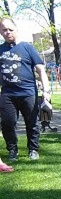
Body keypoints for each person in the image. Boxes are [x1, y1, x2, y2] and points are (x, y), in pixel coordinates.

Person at [0, 17, 51, 161]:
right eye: (4, 29)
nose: (8, 32)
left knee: (32, 123)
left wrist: (45, 92)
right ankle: (12, 150)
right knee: (7, 123)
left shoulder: (27, 48)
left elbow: (41, 70)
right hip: (7, 94)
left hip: (28, 93)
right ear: (0, 32)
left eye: (10, 29)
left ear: (16, 29)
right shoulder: (0, 50)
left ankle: (33, 149)